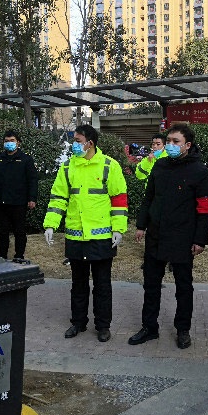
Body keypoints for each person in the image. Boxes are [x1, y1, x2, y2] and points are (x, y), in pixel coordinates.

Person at [131, 123, 208, 349]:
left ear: (188, 145)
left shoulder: (199, 171)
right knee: (151, 284)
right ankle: (149, 327)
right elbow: (149, 198)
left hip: (182, 237)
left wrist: (200, 239)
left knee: (183, 287)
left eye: (175, 141)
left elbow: (205, 209)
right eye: (168, 141)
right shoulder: (160, 166)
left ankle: (183, 330)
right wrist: (141, 225)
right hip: (156, 235)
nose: (170, 145)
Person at [43, 125, 128, 343]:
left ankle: (103, 326)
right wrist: (51, 224)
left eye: (78, 140)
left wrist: (118, 228)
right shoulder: (67, 167)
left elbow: (119, 199)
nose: (74, 144)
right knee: (78, 284)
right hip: (75, 236)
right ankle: (78, 322)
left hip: (101, 237)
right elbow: (58, 198)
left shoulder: (109, 165)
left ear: (90, 143)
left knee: (102, 285)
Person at [0, 130, 39, 262]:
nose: (9, 143)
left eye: (12, 140)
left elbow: (32, 180)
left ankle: (19, 255)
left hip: (19, 202)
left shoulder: (26, 159)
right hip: (1, 202)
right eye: (6, 141)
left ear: (18, 142)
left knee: (19, 231)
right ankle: (2, 256)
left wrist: (32, 198)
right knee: (2, 232)